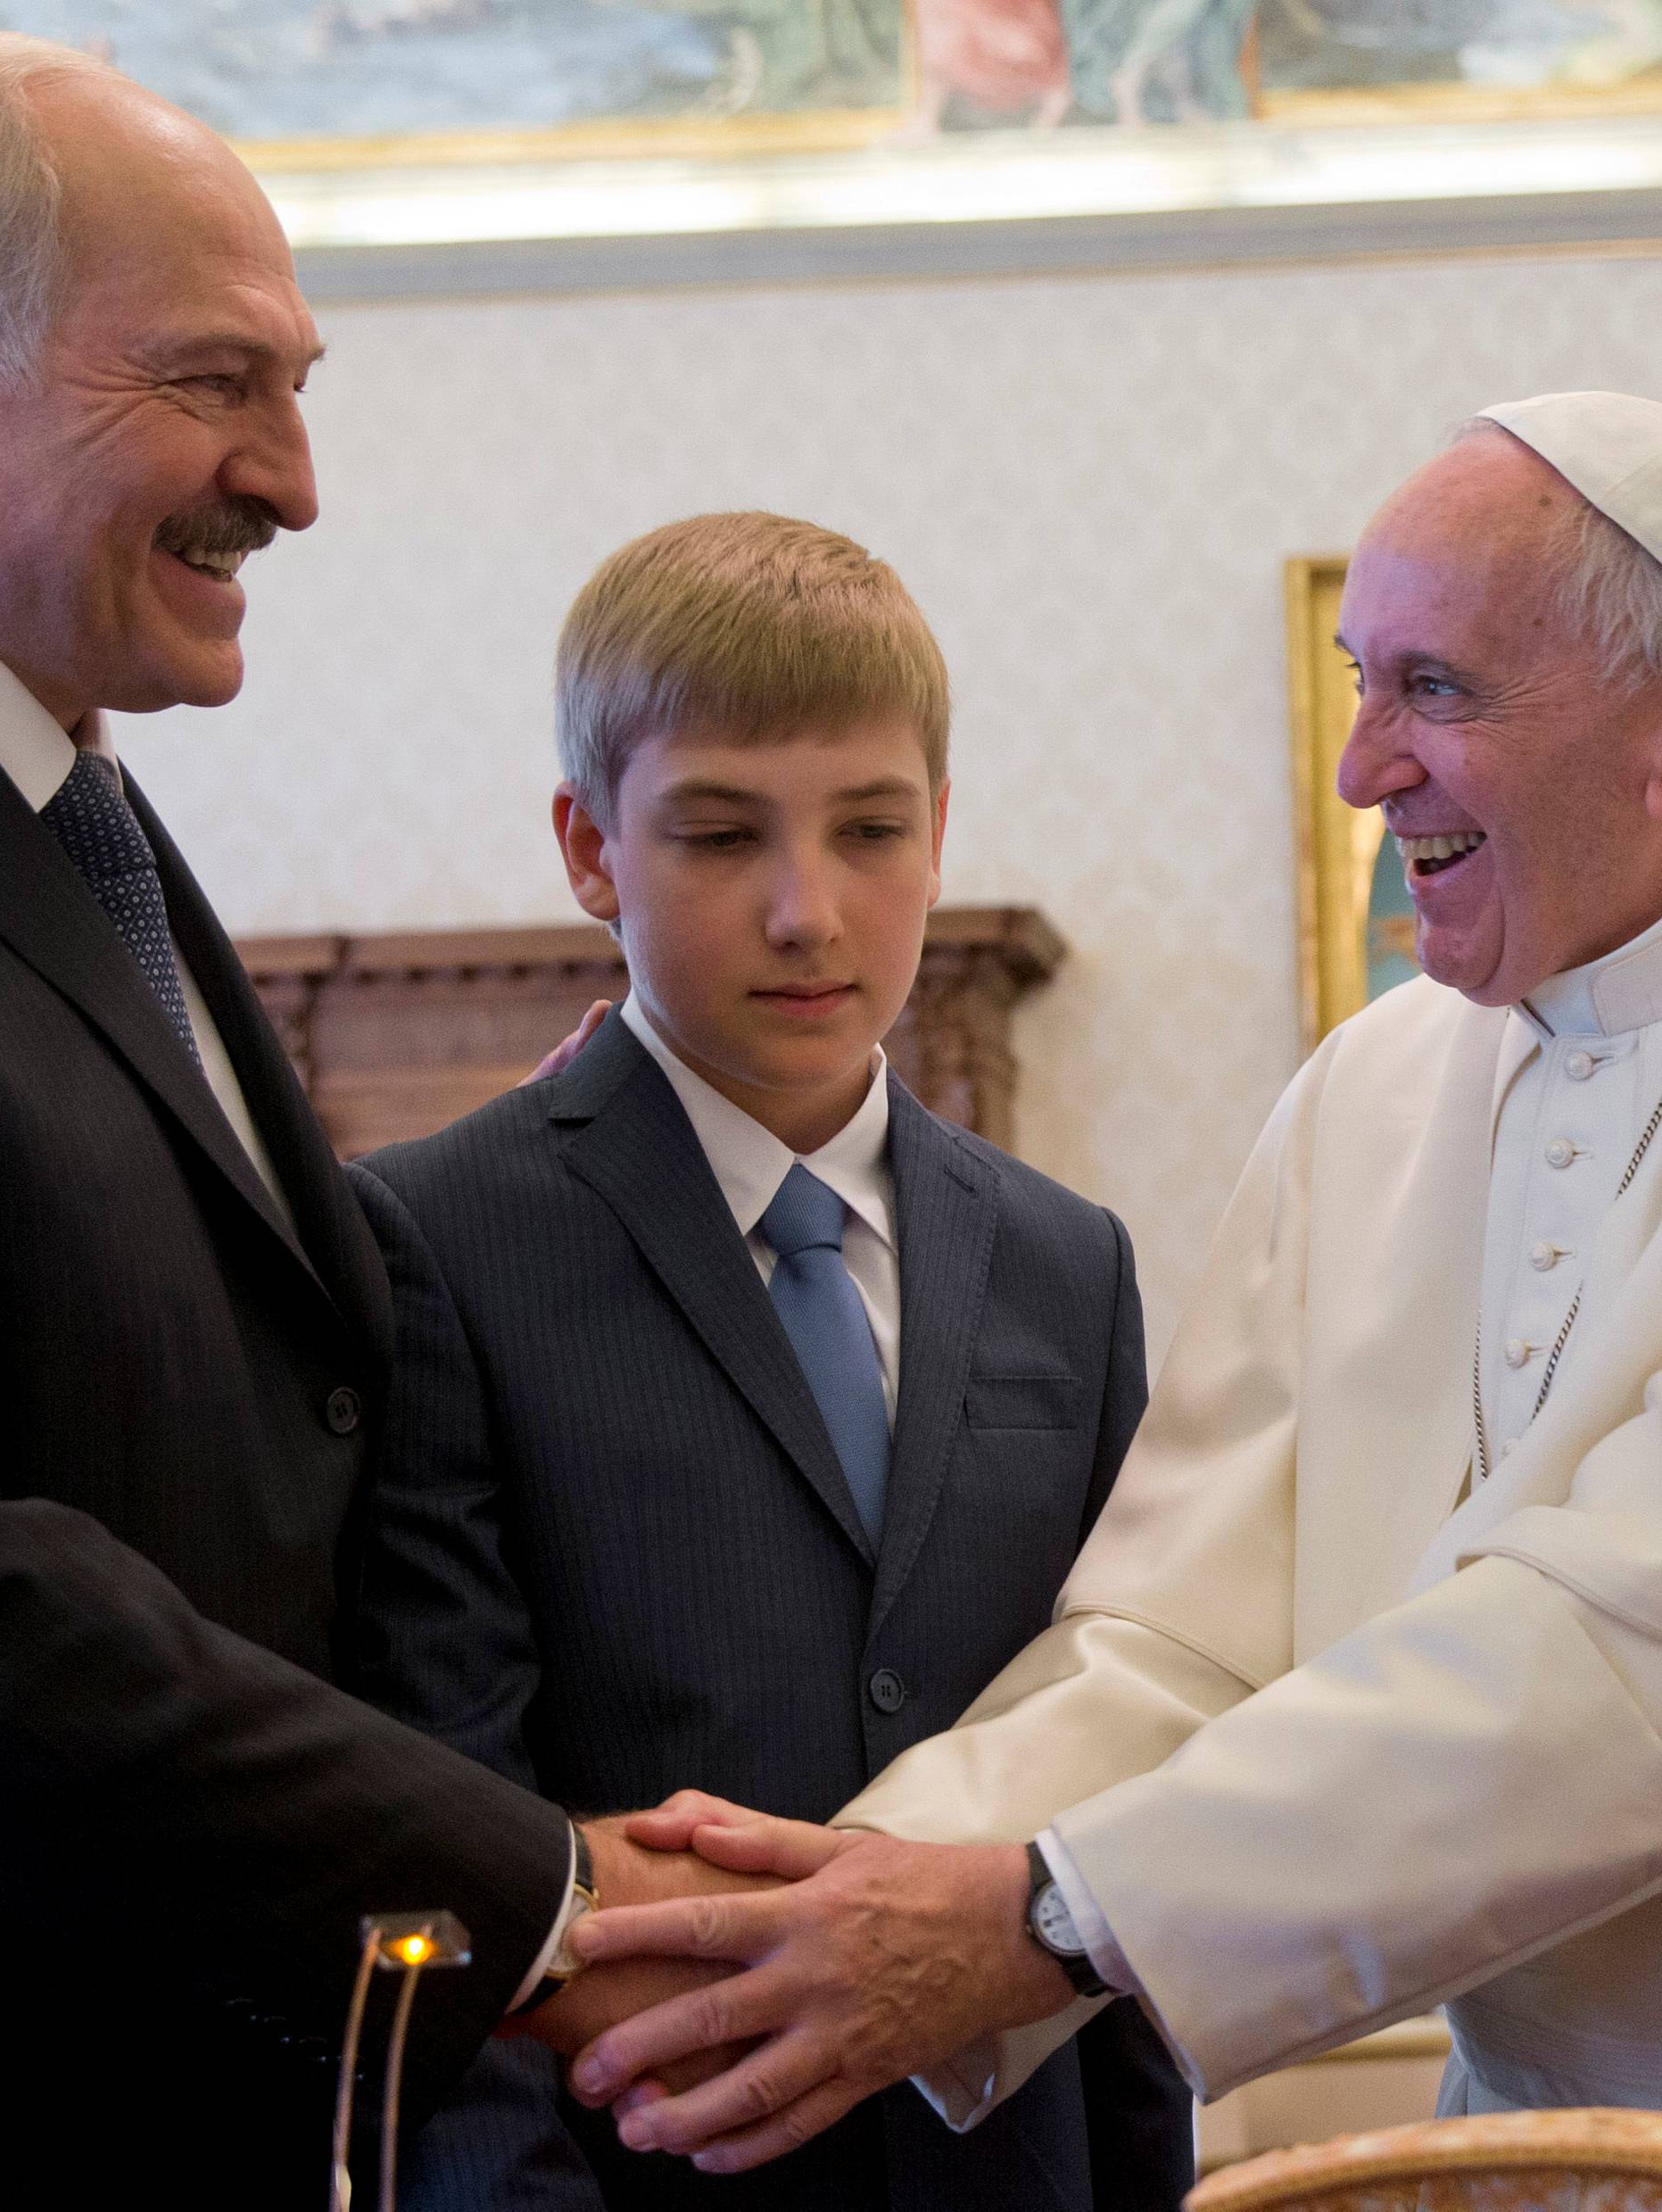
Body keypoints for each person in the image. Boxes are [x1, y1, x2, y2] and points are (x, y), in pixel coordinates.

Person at [557, 391, 1662, 2165]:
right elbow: (1179, 1637)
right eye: (1360, 683)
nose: (1361, 766)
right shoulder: (1373, 1095)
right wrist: (836, 1908)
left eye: (1434, 689)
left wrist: (1036, 1916)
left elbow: (1610, 1663)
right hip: (1533, 2143)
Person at [0, 35, 732, 2208]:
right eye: (215, 382)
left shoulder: (79, 832)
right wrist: (543, 1899)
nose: (293, 483)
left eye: (299, 389)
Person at [346, 510, 1193, 2212]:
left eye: (870, 829)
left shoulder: (1065, 1262)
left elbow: (1125, 1764)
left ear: (939, 835)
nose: (809, 911)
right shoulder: (428, 1239)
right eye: (721, 835)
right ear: (592, 848)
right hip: (640, 2164)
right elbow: (437, 1813)